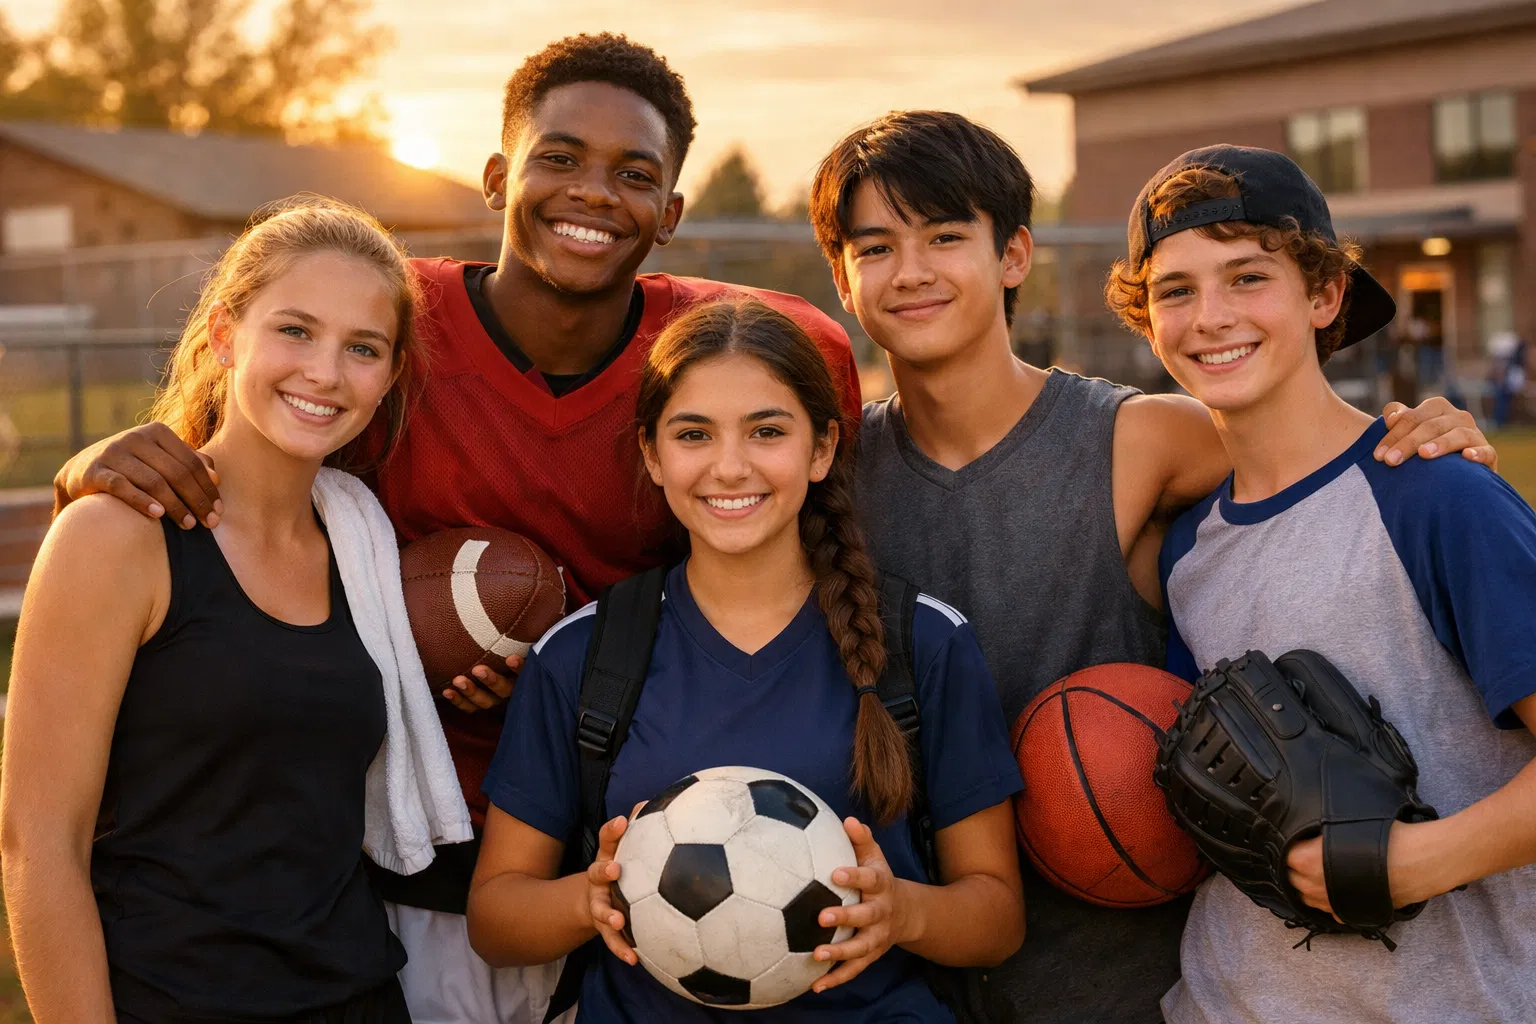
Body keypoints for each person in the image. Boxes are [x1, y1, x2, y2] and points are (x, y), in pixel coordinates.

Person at [49, 33, 860, 1023]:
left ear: (672, 213)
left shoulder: (717, 360)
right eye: (559, 157)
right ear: (496, 176)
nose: (594, 193)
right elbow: (235, 435)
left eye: (633, 173)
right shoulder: (398, 333)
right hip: (394, 878)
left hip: (651, 852)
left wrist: (576, 664)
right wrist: (95, 462)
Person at [806, 111, 1501, 1024]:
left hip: (1125, 976)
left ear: (1014, 254)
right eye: (878, 246)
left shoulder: (1148, 439)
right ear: (842, 280)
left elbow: (1313, 460)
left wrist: (1428, 437)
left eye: (945, 236)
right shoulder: (826, 473)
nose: (915, 269)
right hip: (905, 976)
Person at [465, 297, 1025, 1022]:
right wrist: (592, 896)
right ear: (652, 453)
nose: (730, 468)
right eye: (693, 433)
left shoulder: (922, 642)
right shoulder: (584, 655)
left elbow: (998, 918)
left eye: (767, 431)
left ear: (821, 448)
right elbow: (495, 919)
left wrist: (903, 913)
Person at [1107, 144, 1536, 1023]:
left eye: (1247, 276)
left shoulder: (1434, 492)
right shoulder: (1184, 551)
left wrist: (1418, 860)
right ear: (1148, 322)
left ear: (1324, 295)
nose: (1210, 317)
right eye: (1175, 291)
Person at [1, 200, 421, 1022]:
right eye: (294, 330)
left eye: (362, 348)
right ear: (226, 335)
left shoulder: (367, 552)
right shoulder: (117, 537)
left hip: (359, 998)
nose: (326, 373)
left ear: (389, 375)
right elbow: (37, 846)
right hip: (172, 1000)